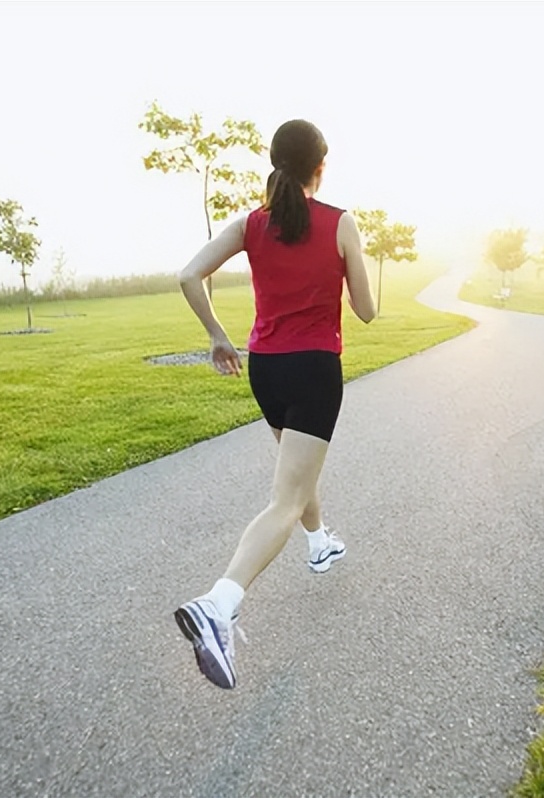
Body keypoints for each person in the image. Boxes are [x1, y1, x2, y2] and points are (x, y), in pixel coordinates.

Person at [173, 119, 377, 689]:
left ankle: (319, 545)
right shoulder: (340, 223)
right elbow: (366, 310)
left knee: (295, 471)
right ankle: (220, 602)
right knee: (285, 497)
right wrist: (352, 262)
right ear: (320, 166)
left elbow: (189, 275)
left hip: (266, 367)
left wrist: (217, 334)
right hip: (314, 367)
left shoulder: (250, 223)